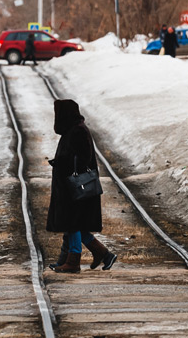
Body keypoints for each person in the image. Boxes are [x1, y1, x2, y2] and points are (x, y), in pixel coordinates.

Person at [46, 99, 115, 273]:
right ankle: (103, 254)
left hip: (76, 187)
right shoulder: (73, 130)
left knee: (73, 224)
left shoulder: (77, 131)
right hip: (72, 186)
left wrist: (62, 164)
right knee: (75, 225)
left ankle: (73, 261)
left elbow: (82, 158)